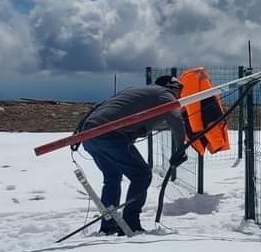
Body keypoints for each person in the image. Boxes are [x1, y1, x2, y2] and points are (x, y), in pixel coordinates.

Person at [79, 75, 188, 235]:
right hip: (109, 134)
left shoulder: (137, 91)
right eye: (180, 90)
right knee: (141, 175)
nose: (180, 96)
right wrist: (180, 149)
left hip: (88, 134)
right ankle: (130, 223)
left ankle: (109, 224)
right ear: (171, 86)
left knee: (112, 178)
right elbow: (176, 119)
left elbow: (101, 107)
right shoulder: (164, 94)